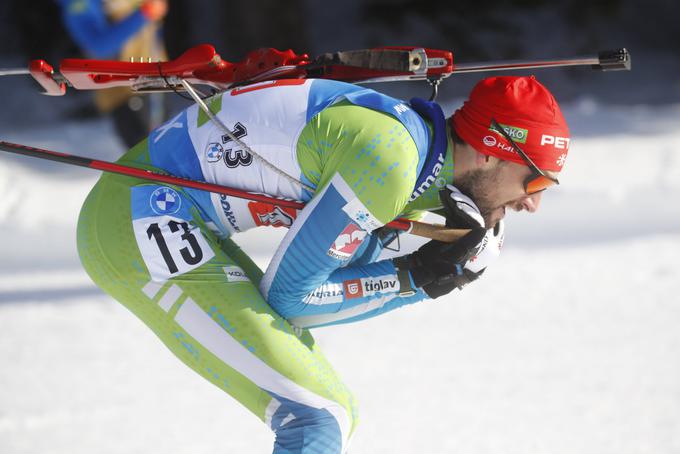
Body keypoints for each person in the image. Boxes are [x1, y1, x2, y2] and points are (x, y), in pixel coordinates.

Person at [76, 75, 569, 453]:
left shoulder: (411, 155)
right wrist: (420, 278)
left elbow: (338, 264)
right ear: (488, 153)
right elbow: (293, 300)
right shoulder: (389, 163)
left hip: (155, 213)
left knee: (324, 401)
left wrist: (424, 260)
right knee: (318, 415)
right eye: (534, 183)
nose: (533, 205)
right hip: (138, 221)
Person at [57, 0, 169, 147]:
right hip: (125, 94)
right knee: (150, 160)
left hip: (159, 83)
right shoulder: (78, 5)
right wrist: (143, 14)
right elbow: (99, 46)